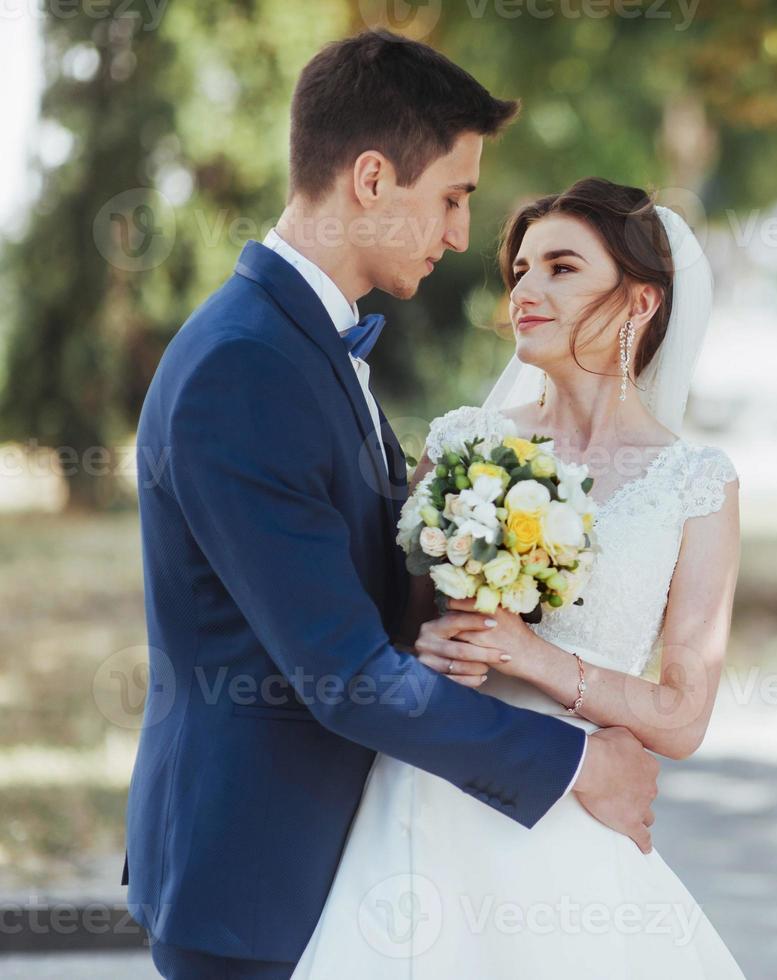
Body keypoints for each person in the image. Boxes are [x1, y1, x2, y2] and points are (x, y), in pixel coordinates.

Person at [126, 31, 659, 978]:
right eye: (451, 197)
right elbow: (342, 675)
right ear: (371, 178)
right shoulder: (246, 367)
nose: (460, 235)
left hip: (335, 873)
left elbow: (363, 594)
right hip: (257, 887)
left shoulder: (305, 348)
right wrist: (576, 764)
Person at [291, 177, 745, 976]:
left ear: (640, 304)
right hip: (431, 800)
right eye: (522, 270)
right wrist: (443, 642)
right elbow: (392, 646)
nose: (527, 290)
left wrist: (529, 655)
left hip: (575, 819)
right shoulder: (464, 442)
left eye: (562, 268)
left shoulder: (697, 483)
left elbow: (681, 717)